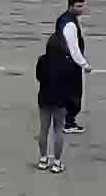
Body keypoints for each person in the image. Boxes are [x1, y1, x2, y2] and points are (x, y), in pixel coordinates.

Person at [34, 28, 81, 173]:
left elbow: (38, 77)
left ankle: (43, 159)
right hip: (60, 100)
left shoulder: (42, 60)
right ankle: (57, 162)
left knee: (43, 130)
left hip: (44, 98)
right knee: (58, 131)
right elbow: (72, 83)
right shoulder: (69, 63)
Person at [53, 0, 90, 134]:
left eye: (82, 6)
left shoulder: (64, 19)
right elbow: (73, 47)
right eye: (78, 6)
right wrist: (84, 64)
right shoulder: (70, 24)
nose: (81, 9)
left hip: (61, 62)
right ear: (70, 6)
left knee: (64, 91)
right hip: (69, 64)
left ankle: (61, 118)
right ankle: (69, 123)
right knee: (74, 94)